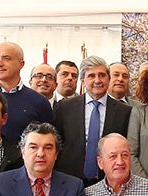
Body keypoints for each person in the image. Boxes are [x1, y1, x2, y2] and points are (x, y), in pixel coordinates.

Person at [52, 55, 132, 184]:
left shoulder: (124, 112)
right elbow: (56, 142)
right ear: (83, 81)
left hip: (108, 181)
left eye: (102, 75)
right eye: (91, 76)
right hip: (69, 180)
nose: (97, 80)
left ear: (109, 79)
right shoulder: (64, 107)